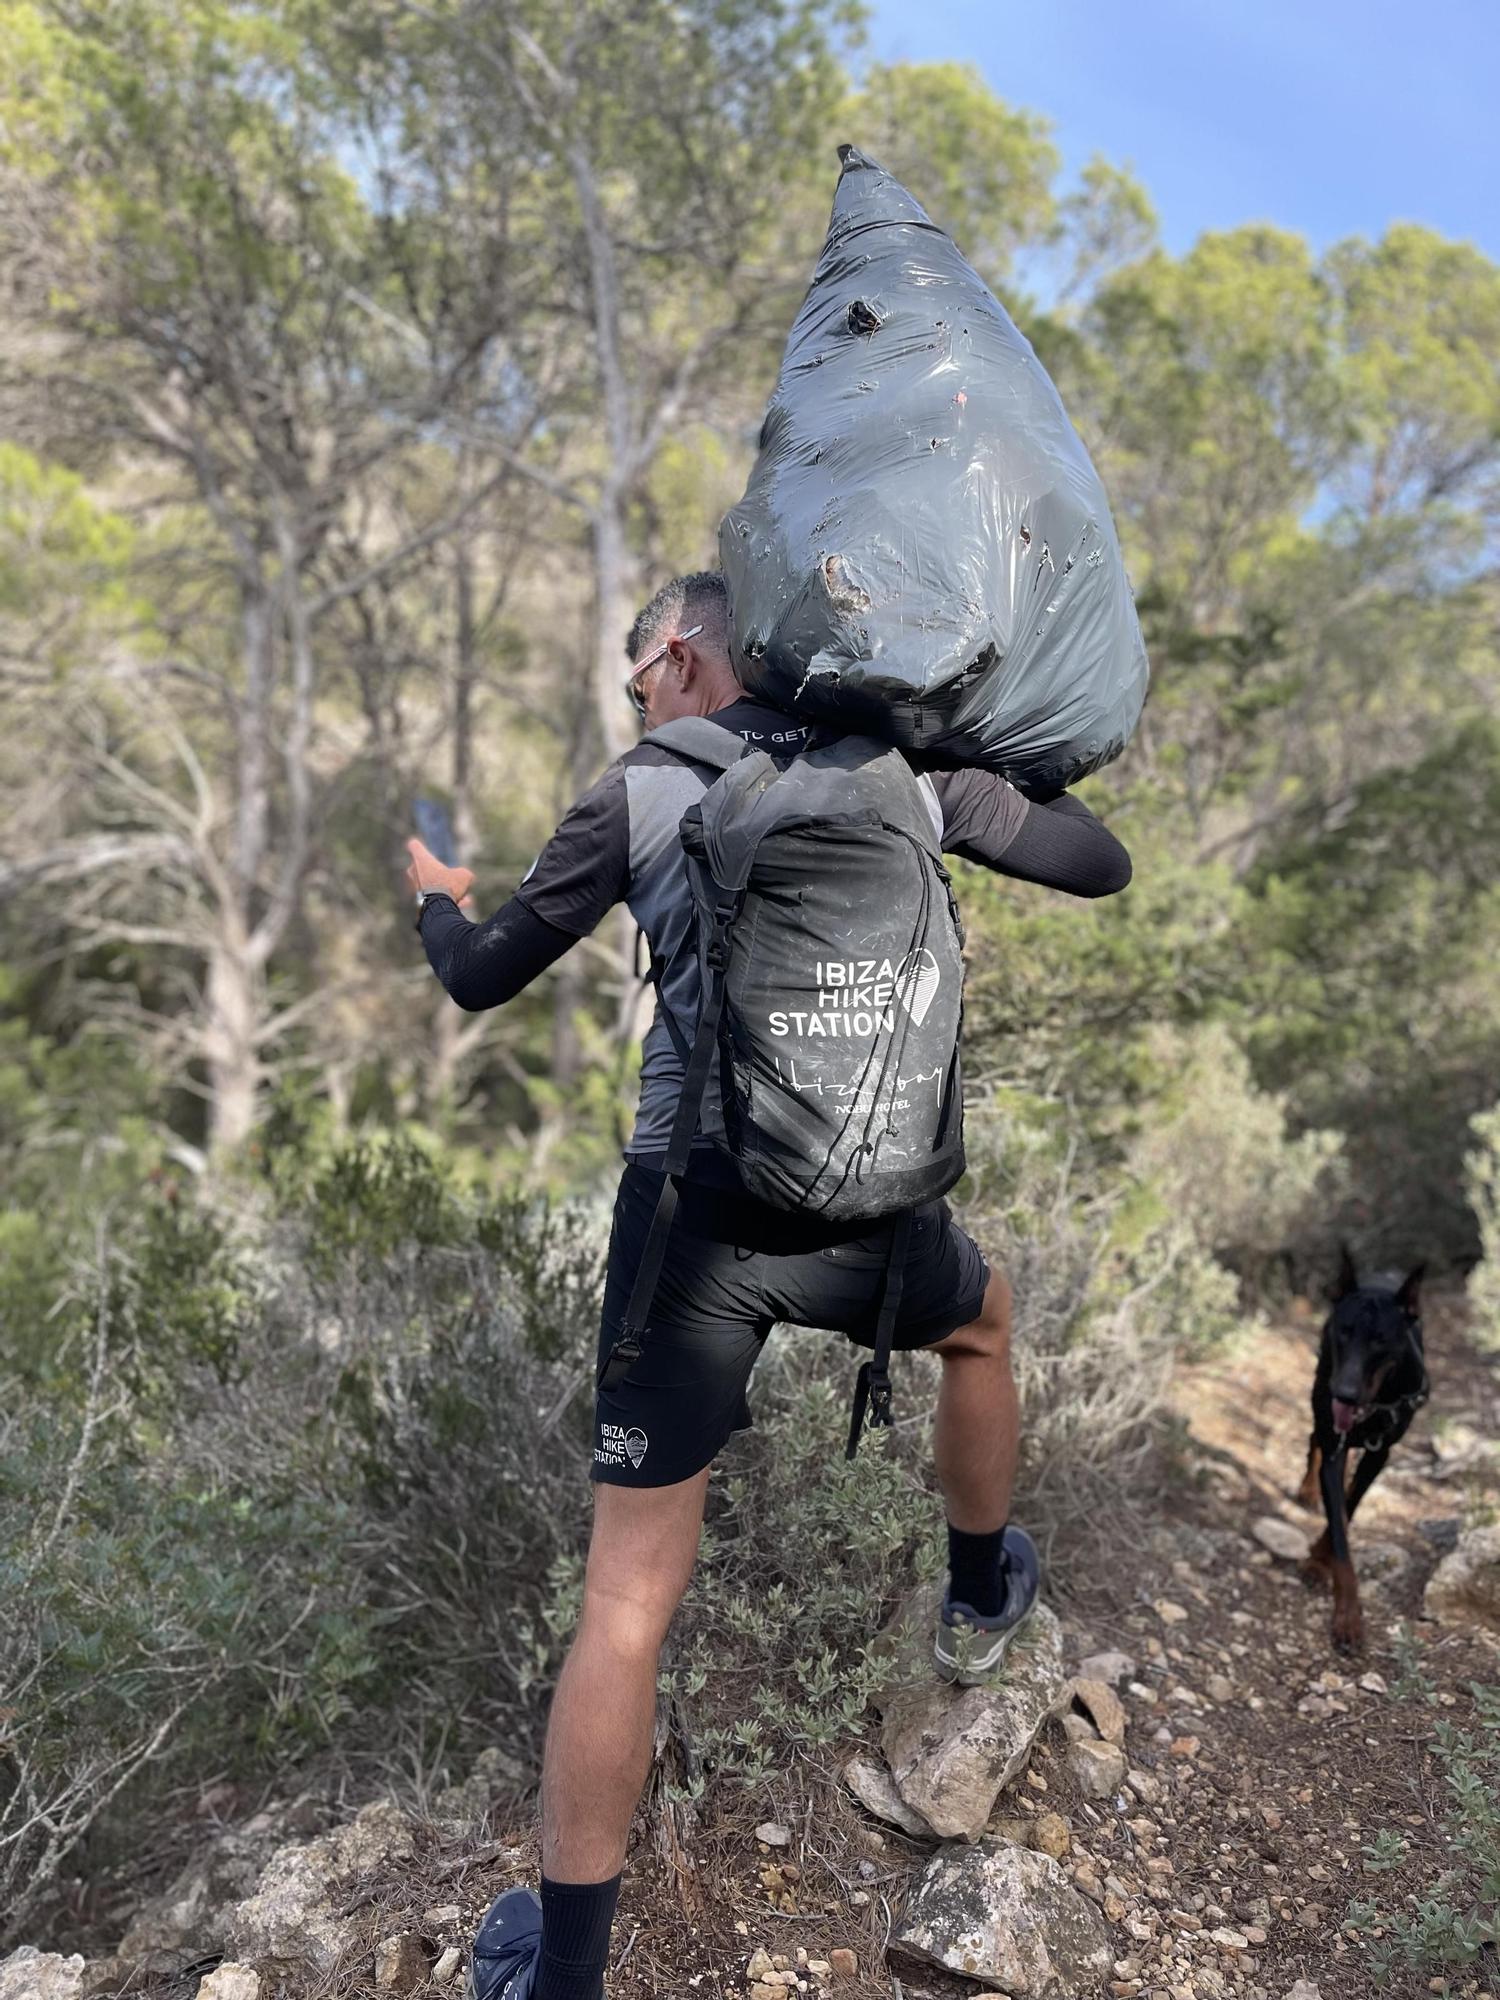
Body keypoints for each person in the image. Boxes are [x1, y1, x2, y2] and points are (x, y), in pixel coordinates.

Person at [404, 572, 1133, 2000]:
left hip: (698, 1225)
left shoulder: (638, 791)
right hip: (877, 1208)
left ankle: (562, 1980)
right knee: (980, 1330)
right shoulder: (904, 773)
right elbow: (1100, 864)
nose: (636, 699)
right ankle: (981, 1595)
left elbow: (483, 979)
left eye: (634, 679)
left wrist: (437, 901)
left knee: (626, 1595)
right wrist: (975, 757)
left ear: (677, 655)